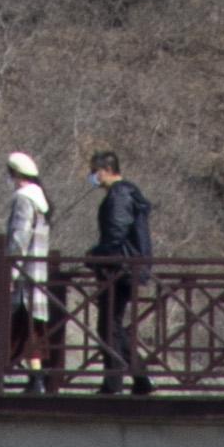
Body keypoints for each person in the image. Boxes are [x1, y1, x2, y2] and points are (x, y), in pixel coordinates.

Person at [86, 148, 153, 390]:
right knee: (111, 324)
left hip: (119, 268)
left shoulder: (119, 195)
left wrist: (97, 254)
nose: (92, 176)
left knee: (108, 325)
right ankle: (139, 378)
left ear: (107, 170)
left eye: (94, 171)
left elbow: (116, 234)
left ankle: (115, 383)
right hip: (127, 266)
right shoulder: (127, 193)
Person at [3, 147, 60, 385]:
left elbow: (19, 238)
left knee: (20, 326)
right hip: (38, 272)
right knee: (27, 328)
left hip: (24, 275)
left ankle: (31, 378)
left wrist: (9, 272)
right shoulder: (41, 200)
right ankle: (32, 377)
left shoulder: (24, 199)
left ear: (15, 173)